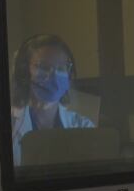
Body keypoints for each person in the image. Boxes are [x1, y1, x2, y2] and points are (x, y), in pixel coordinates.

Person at [10, 34, 95, 165]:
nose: (54, 76)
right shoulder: (8, 125)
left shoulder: (84, 127)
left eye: (61, 68)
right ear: (24, 73)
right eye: (43, 67)